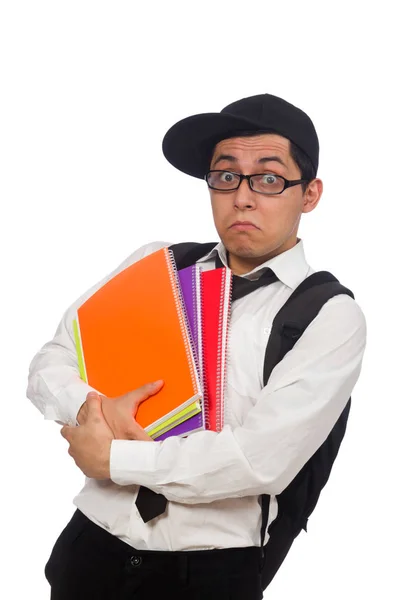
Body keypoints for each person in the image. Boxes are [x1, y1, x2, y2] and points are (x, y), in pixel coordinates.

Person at [26, 93, 367, 600]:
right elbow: (52, 360)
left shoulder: (329, 315)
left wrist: (112, 460)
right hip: (91, 546)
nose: (243, 197)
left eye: (269, 178)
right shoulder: (157, 266)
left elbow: (257, 460)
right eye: (226, 175)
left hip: (207, 572)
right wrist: (95, 409)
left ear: (310, 193)